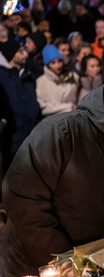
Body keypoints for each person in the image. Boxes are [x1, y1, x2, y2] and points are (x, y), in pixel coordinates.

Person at [1, 56, 104, 277]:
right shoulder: (63, 132)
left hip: (90, 265)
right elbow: (21, 195)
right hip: (33, 264)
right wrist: (62, 257)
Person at [0, 40, 40, 178]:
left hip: (29, 134)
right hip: (11, 136)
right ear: (11, 54)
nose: (25, 53)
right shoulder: (2, 76)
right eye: (20, 51)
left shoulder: (28, 76)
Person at [36, 44, 79, 116]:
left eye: (59, 61)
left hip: (73, 119)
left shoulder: (73, 77)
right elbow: (45, 109)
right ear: (48, 64)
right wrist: (68, 107)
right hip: (53, 122)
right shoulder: (41, 82)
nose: (58, 65)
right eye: (53, 62)